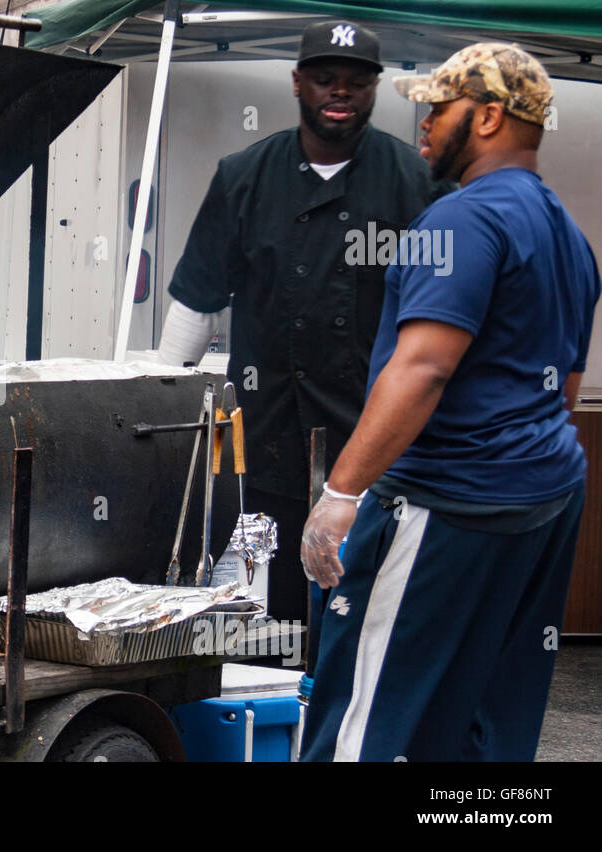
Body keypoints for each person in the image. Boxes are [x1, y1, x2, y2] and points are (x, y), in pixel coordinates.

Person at [299, 43, 599, 761]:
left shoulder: (461, 221)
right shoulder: (569, 235)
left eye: (440, 108)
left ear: (490, 117)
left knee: (365, 716)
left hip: (446, 502)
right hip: (544, 497)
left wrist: (342, 494)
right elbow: (567, 388)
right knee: (485, 716)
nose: (425, 124)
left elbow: (423, 369)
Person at [157, 20, 448, 623]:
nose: (338, 92)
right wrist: (164, 407)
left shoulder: (415, 185)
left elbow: (444, 323)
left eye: (355, 82)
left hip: (374, 448)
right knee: (271, 614)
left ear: (374, 89)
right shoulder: (244, 177)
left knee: (363, 613)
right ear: (297, 83)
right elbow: (197, 299)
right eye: (324, 79)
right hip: (262, 447)